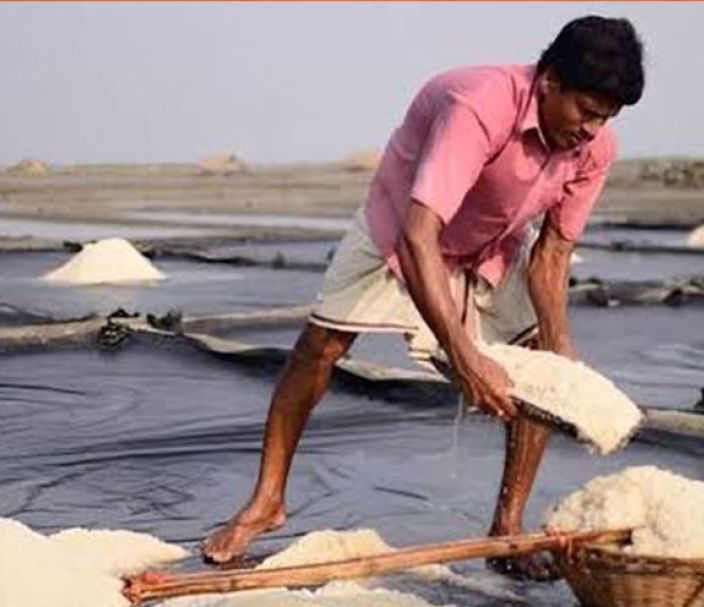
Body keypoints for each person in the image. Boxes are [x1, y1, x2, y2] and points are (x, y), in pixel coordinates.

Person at [203, 16, 645, 578]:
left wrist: (563, 361)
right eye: (585, 110)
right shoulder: (479, 106)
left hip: (493, 240)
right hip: (402, 227)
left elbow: (552, 255)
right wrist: (465, 356)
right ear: (550, 81)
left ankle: (508, 525)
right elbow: (418, 237)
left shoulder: (594, 149)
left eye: (605, 118)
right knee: (320, 346)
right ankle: (266, 502)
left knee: (539, 359)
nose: (591, 129)